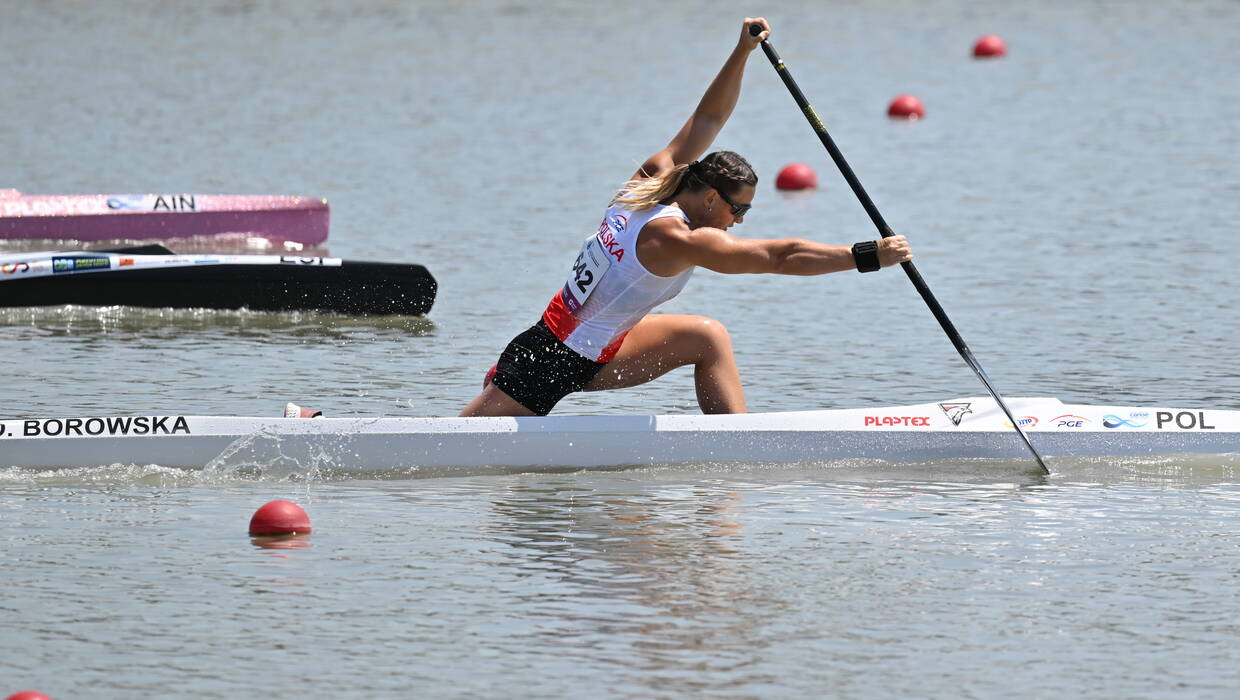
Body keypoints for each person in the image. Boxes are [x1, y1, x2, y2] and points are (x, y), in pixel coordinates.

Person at [461, 17, 912, 418]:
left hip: (580, 347)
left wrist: (743, 51)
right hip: (549, 361)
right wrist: (869, 255)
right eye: (740, 210)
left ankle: (737, 446)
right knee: (452, 449)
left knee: (707, 337)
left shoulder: (646, 184)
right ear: (713, 199)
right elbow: (781, 257)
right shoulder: (678, 238)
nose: (740, 221)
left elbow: (707, 118)